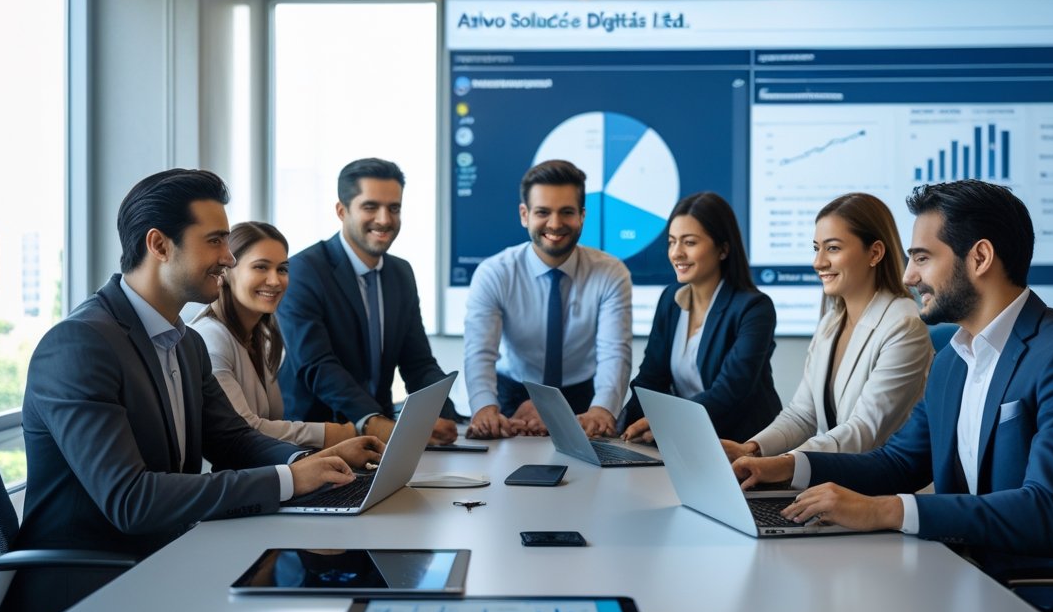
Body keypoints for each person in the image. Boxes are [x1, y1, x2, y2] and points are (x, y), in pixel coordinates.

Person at [732, 179, 1053, 612]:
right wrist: (786, 467)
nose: (909, 275)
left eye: (922, 258)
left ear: (979, 258)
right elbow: (897, 463)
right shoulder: (955, 358)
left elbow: (1048, 512)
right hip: (976, 590)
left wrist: (886, 510)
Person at [3, 169, 382, 612]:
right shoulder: (80, 344)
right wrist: (290, 481)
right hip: (86, 599)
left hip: (166, 562)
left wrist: (307, 464)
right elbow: (130, 499)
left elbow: (232, 438)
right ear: (159, 245)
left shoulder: (183, 343)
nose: (228, 257)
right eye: (215, 241)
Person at [721, 193, 931, 460]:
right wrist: (751, 449)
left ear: (875, 253)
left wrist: (782, 464)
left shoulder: (904, 325)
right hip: (833, 481)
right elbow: (801, 415)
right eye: (816, 248)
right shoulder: (832, 321)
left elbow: (864, 432)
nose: (818, 262)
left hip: (880, 492)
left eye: (832, 248)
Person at [276, 158, 458, 445]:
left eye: (394, 208)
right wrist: (374, 422)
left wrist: (444, 413)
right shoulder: (302, 271)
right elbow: (316, 365)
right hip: (315, 438)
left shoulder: (401, 273)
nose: (384, 219)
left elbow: (418, 363)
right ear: (341, 210)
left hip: (383, 436)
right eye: (370, 207)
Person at [464, 159, 632, 439]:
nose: (555, 224)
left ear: (582, 216)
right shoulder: (494, 272)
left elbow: (614, 353)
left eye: (567, 212)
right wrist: (484, 408)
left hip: (583, 398)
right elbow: (480, 352)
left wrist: (603, 409)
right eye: (543, 212)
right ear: (524, 214)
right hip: (510, 394)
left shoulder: (611, 273)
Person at [618, 192, 779, 443]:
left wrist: (666, 420)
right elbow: (651, 378)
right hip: (687, 440)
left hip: (742, 446)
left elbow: (729, 392)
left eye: (689, 243)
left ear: (723, 249)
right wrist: (619, 425)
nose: (676, 253)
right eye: (672, 242)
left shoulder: (755, 308)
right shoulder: (670, 300)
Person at [190, 221, 360, 449]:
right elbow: (243, 429)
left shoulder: (261, 336)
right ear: (227, 272)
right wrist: (333, 434)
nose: (275, 280)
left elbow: (272, 424)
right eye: (261, 267)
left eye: (282, 269)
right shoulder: (210, 338)